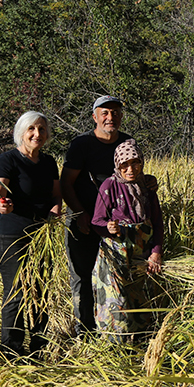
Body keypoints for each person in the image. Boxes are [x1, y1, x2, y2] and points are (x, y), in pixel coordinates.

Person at [0, 111, 62, 359]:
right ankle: (12, 352)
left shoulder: (49, 162)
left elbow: (56, 195)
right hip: (12, 237)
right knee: (16, 292)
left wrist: (56, 209)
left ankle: (40, 349)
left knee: (40, 292)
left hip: (42, 238)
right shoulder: (8, 160)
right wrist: (1, 206)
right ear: (21, 132)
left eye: (41, 129)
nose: (37, 134)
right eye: (31, 129)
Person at [60, 96, 133, 335]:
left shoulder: (127, 142)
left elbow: (133, 176)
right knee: (82, 275)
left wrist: (149, 181)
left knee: (115, 276)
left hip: (115, 224)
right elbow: (66, 183)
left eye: (115, 113)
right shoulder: (82, 144)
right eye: (105, 113)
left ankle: (113, 328)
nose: (111, 117)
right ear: (95, 117)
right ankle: (85, 330)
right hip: (83, 220)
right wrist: (80, 214)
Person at [91, 139, 163, 342]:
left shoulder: (147, 187)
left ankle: (142, 344)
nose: (130, 169)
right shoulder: (110, 185)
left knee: (141, 300)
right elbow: (97, 221)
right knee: (117, 303)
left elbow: (157, 223)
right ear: (117, 165)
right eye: (125, 165)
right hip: (116, 256)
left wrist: (156, 253)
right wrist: (108, 228)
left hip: (141, 255)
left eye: (135, 163)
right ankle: (115, 346)